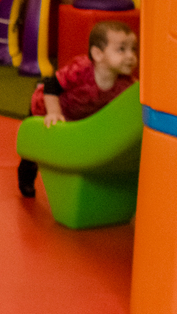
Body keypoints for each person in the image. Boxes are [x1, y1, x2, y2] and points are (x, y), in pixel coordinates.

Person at [17, 20, 138, 196]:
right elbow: (51, 85)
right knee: (34, 147)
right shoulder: (81, 69)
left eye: (133, 49)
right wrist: (54, 112)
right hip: (46, 107)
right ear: (98, 54)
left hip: (77, 117)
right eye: (121, 49)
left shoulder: (126, 84)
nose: (130, 56)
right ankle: (26, 176)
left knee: (70, 152)